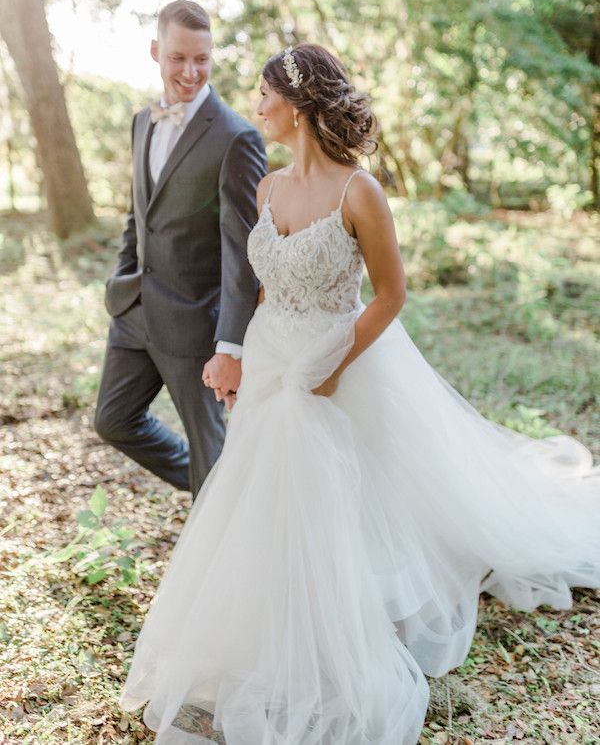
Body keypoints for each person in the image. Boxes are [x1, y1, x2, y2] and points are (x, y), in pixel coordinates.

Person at [120, 44, 600, 744]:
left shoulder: (359, 191)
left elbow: (390, 294)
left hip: (338, 357)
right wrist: (240, 358)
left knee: (342, 490)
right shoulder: (268, 189)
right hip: (274, 357)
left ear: (299, 101)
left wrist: (337, 360)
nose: (255, 106)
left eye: (264, 94)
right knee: (269, 493)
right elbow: (259, 287)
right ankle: (266, 623)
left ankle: (345, 622)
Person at [94, 0, 267, 498]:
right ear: (156, 51)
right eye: (178, 58)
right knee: (113, 420)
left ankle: (218, 518)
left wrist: (230, 345)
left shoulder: (237, 138)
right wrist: (122, 279)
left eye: (202, 59)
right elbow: (138, 217)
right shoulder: (141, 123)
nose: (190, 72)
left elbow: (243, 254)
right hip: (133, 310)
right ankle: (215, 489)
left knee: (211, 453)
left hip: (195, 326)